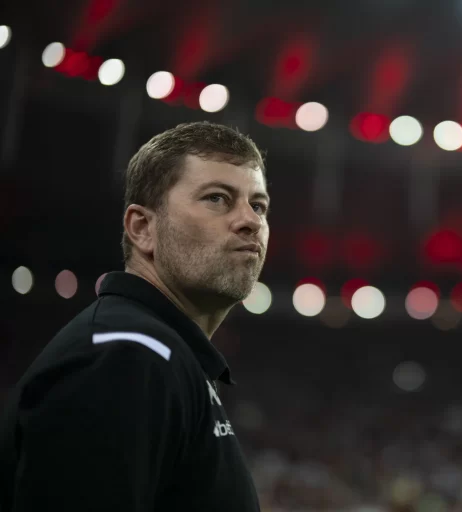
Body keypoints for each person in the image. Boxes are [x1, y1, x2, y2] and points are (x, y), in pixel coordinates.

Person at [0, 121, 269, 510]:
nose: (251, 220)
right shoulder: (126, 357)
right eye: (217, 198)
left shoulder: (157, 354)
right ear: (143, 228)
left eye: (258, 205)